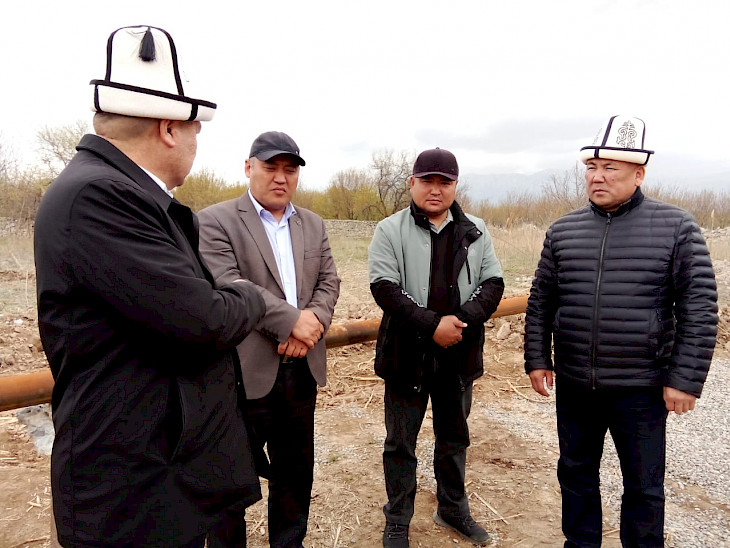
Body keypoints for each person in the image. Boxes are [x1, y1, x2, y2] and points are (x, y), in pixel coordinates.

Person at [34, 26, 267, 547]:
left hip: (157, 476)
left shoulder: (120, 192)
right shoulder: (99, 196)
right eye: (195, 132)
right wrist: (250, 294)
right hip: (130, 493)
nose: (195, 145)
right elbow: (204, 319)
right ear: (168, 129)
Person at [524, 115, 718, 547]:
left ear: (639, 173)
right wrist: (537, 358)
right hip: (576, 385)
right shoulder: (564, 230)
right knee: (575, 474)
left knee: (644, 487)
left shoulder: (676, 227)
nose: (597, 176)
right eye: (591, 167)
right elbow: (541, 302)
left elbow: (699, 308)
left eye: (610, 167)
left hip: (641, 387)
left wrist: (685, 379)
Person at [198, 131, 340, 548]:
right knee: (229, 483)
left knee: (295, 475)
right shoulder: (215, 221)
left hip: (302, 371)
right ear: (248, 167)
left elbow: (329, 282)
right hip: (241, 375)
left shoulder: (312, 223)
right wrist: (291, 322)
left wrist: (310, 325)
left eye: (289, 169)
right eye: (270, 167)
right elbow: (228, 283)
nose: (281, 177)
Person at [368, 148, 504, 547]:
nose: (435, 189)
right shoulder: (389, 230)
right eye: (427, 180)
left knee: (454, 438)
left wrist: (459, 321)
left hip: (458, 354)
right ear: (411, 182)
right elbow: (385, 288)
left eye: (445, 182)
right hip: (405, 356)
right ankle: (398, 519)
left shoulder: (476, 230)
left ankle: (452, 509)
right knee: (400, 444)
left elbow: (493, 283)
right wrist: (432, 325)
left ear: (455, 186)